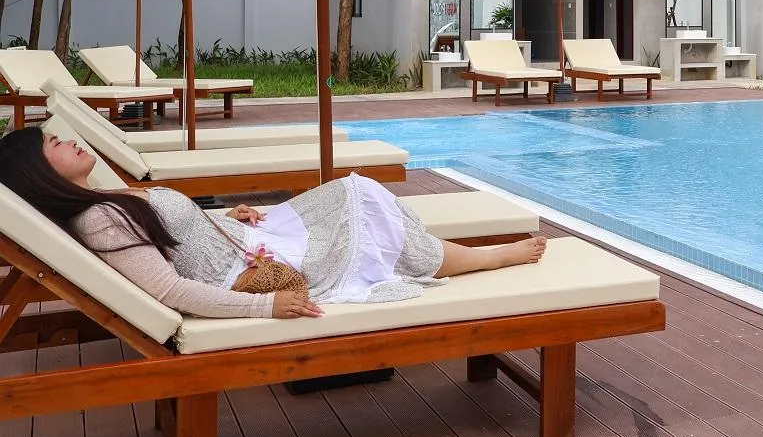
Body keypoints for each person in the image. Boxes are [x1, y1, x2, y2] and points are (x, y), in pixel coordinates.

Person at [0, 127, 546, 320]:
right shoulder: (99, 221)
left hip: (246, 237)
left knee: (358, 196)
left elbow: (169, 233)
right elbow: (169, 289)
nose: (70, 142)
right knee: (363, 202)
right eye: (54, 143)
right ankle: (493, 258)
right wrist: (267, 305)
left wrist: (217, 215)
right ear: (37, 170)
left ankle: (475, 256)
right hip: (260, 267)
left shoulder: (98, 200)